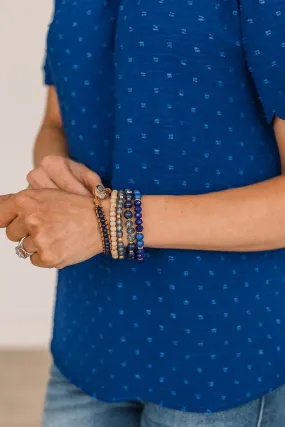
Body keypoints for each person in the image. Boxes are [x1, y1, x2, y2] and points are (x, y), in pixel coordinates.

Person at [1, 0, 285, 425]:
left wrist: (105, 223)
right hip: (86, 342)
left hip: (215, 358)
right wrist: (54, 179)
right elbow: (56, 124)